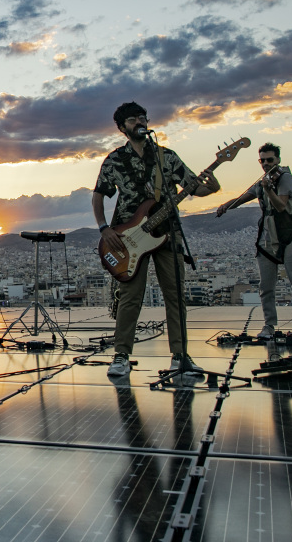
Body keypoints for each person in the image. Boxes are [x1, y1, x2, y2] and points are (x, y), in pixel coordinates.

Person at [92, 102, 220, 377]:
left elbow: (192, 186)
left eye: (142, 117)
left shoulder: (167, 158)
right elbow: (99, 194)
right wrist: (104, 228)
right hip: (127, 237)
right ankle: (121, 355)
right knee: (130, 297)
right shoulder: (114, 160)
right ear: (122, 127)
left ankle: (180, 356)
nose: (140, 121)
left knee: (175, 296)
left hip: (166, 232)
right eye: (132, 119)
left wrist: (212, 188)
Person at [215, 142, 292, 338]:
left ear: (278, 159)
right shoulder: (264, 181)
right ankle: (269, 325)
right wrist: (225, 206)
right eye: (262, 160)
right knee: (266, 286)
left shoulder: (286, 179)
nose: (265, 164)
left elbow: (281, 205)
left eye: (269, 160)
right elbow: (242, 198)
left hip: (290, 235)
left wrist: (268, 189)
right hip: (268, 237)